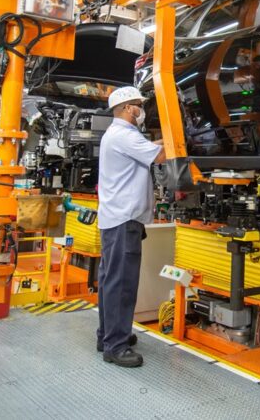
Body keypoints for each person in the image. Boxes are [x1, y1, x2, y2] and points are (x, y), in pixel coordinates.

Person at [96, 86, 165, 368]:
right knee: (122, 284)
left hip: (119, 219)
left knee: (110, 281)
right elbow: (159, 156)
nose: (142, 110)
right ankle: (115, 346)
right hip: (123, 220)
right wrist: (180, 139)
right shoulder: (124, 136)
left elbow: (151, 148)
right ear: (127, 108)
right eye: (139, 105)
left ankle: (108, 335)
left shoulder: (121, 135)